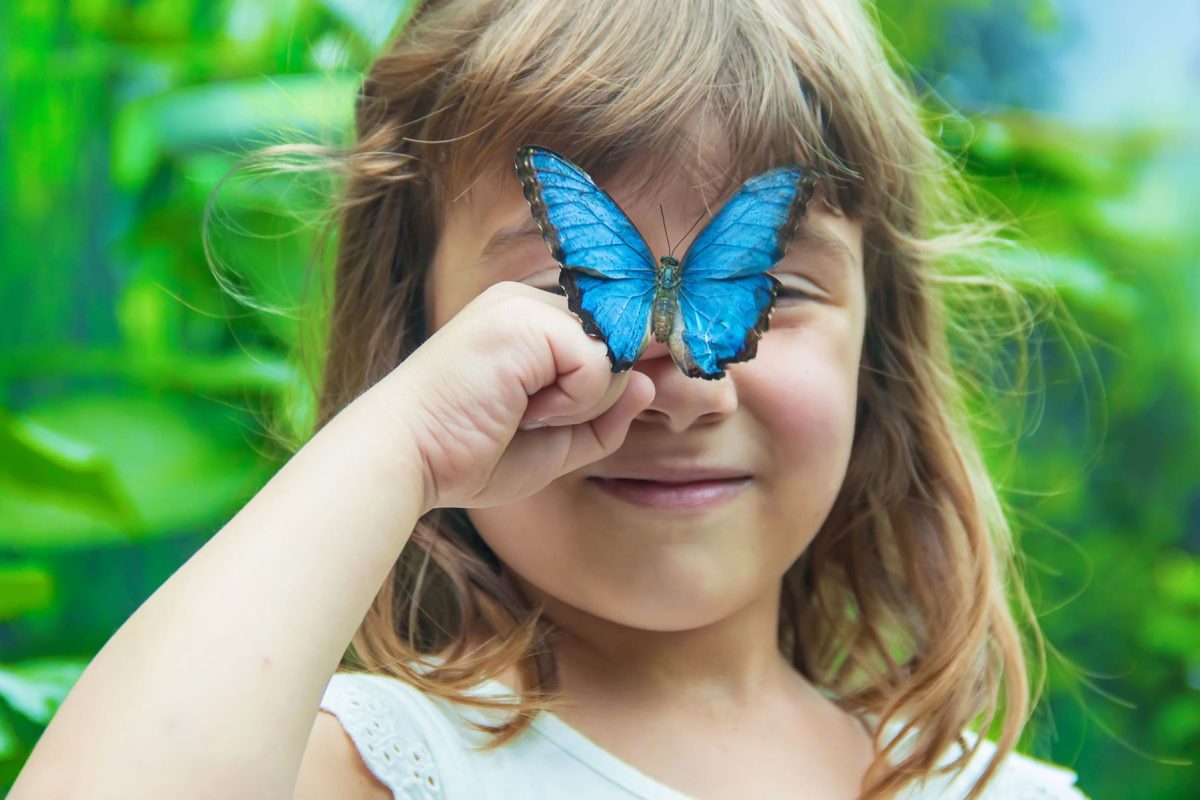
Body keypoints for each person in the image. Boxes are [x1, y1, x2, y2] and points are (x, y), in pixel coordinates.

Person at [10, 0, 1093, 798]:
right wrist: (398, 445)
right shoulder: (379, 764)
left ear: (878, 357)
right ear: (417, 341)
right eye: (564, 289)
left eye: (770, 291)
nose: (668, 382)